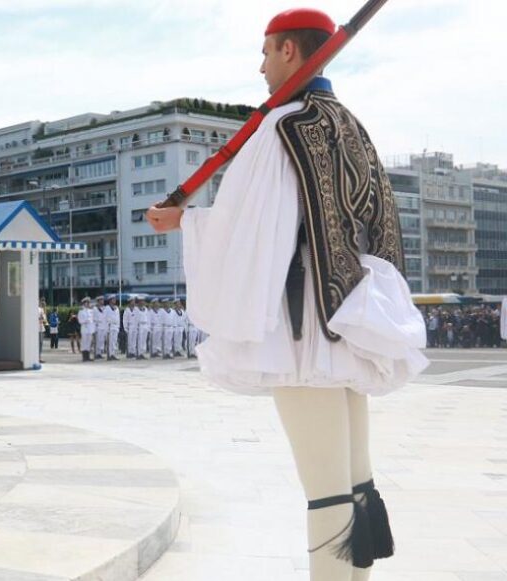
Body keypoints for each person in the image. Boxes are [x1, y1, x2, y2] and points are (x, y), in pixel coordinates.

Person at [146, 8, 427, 577]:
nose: (261, 66)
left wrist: (183, 223)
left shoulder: (284, 127)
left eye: (267, 52)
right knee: (355, 482)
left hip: (304, 328)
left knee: (326, 490)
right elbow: (384, 227)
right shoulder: (350, 125)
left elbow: (250, 228)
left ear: (290, 52)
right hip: (350, 314)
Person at [78, 297, 95, 362]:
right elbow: (80, 320)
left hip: (90, 329)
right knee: (84, 342)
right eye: (86, 302)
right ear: (84, 303)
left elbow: (92, 320)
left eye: (88, 302)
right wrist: (85, 320)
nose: (87, 304)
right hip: (84, 328)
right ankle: (84, 357)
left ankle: (88, 356)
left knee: (89, 342)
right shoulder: (81, 311)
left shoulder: (90, 311)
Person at [38, 298, 49, 362]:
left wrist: (45, 308)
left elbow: (44, 319)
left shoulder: (41, 310)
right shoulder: (34, 309)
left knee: (41, 343)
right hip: (35, 329)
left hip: (41, 328)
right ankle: (36, 357)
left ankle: (39, 357)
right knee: (37, 343)